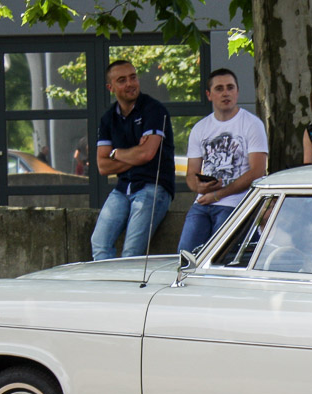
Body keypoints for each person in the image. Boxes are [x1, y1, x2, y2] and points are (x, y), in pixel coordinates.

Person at [91, 60, 176, 260]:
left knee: (131, 253)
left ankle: (125, 291)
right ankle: (108, 289)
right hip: (123, 188)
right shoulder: (108, 118)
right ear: (110, 88)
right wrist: (137, 154)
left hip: (153, 188)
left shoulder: (154, 110)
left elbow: (147, 154)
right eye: (122, 80)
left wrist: (116, 153)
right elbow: (102, 166)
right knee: (99, 243)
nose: (130, 83)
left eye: (133, 77)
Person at [177, 68, 269, 254]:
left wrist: (219, 195)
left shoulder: (252, 124)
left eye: (230, 87)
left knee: (219, 254)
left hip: (236, 203)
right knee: (185, 255)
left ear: (237, 92)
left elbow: (258, 172)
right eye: (219, 88)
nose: (226, 92)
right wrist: (199, 187)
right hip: (203, 202)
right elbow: (191, 174)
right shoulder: (200, 128)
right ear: (209, 95)